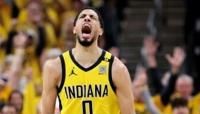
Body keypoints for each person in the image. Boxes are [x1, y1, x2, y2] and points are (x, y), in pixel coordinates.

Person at [41, 7, 134, 114]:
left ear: (100, 31)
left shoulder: (117, 69)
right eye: (82, 16)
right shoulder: (55, 67)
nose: (87, 18)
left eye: (93, 17)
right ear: (74, 29)